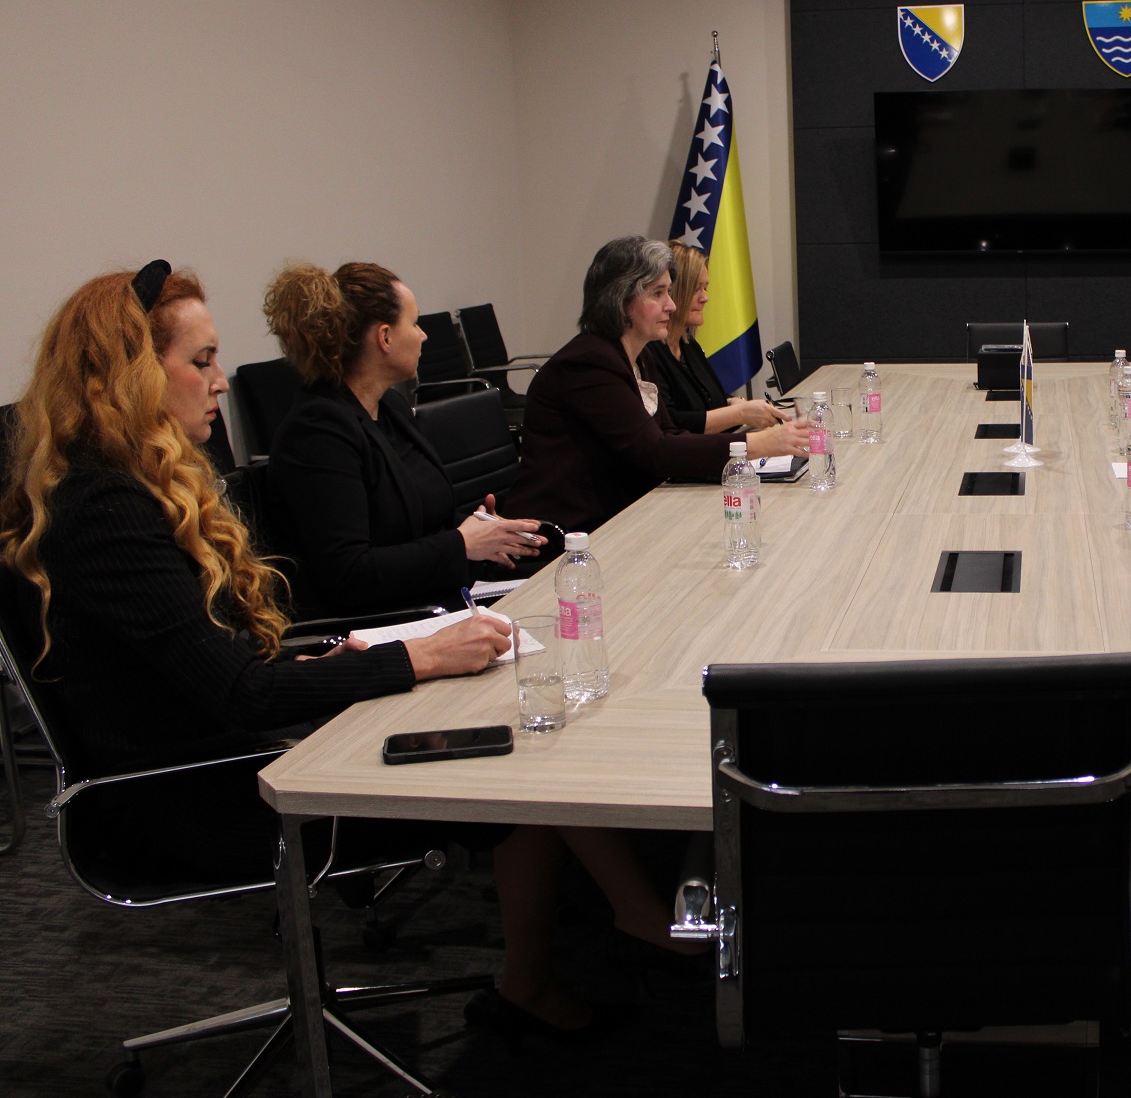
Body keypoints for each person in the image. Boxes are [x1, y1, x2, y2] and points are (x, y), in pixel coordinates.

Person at [0, 265, 693, 1037]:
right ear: (132, 374)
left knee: (512, 717)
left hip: (241, 746)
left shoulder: (119, 489)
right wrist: (421, 658)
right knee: (516, 747)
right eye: (201, 361)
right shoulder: (106, 510)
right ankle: (579, 954)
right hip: (200, 795)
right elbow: (237, 693)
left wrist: (326, 664)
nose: (221, 381)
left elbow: (208, 669)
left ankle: (592, 940)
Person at [262, 261, 543, 619]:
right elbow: (349, 574)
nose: (423, 335)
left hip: (436, 595)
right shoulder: (318, 432)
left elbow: (421, 520)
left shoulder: (390, 407)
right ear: (385, 337)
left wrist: (487, 531)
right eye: (414, 323)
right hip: (385, 622)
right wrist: (460, 544)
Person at [505, 236, 811, 533]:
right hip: (564, 533)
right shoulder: (588, 364)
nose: (672, 305)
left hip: (621, 516)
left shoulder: (639, 356)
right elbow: (655, 451)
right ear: (620, 300)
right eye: (658, 293)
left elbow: (669, 433)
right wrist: (759, 444)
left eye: (669, 292)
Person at [639, 242, 785, 433]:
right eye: (696, 289)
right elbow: (671, 423)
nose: (705, 298)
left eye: (705, 288)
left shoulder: (688, 344)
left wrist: (734, 403)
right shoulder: (648, 352)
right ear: (675, 292)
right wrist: (740, 414)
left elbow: (709, 398)